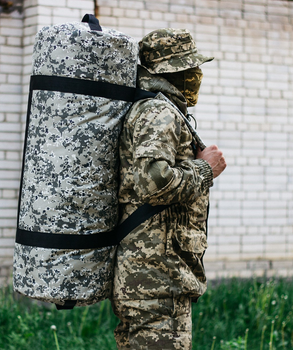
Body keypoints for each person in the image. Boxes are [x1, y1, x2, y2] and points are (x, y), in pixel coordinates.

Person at [111, 28, 227, 349]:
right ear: (170, 71)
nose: (196, 74)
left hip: (149, 278)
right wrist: (207, 168)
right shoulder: (159, 112)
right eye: (190, 67)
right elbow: (153, 180)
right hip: (158, 281)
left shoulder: (153, 108)